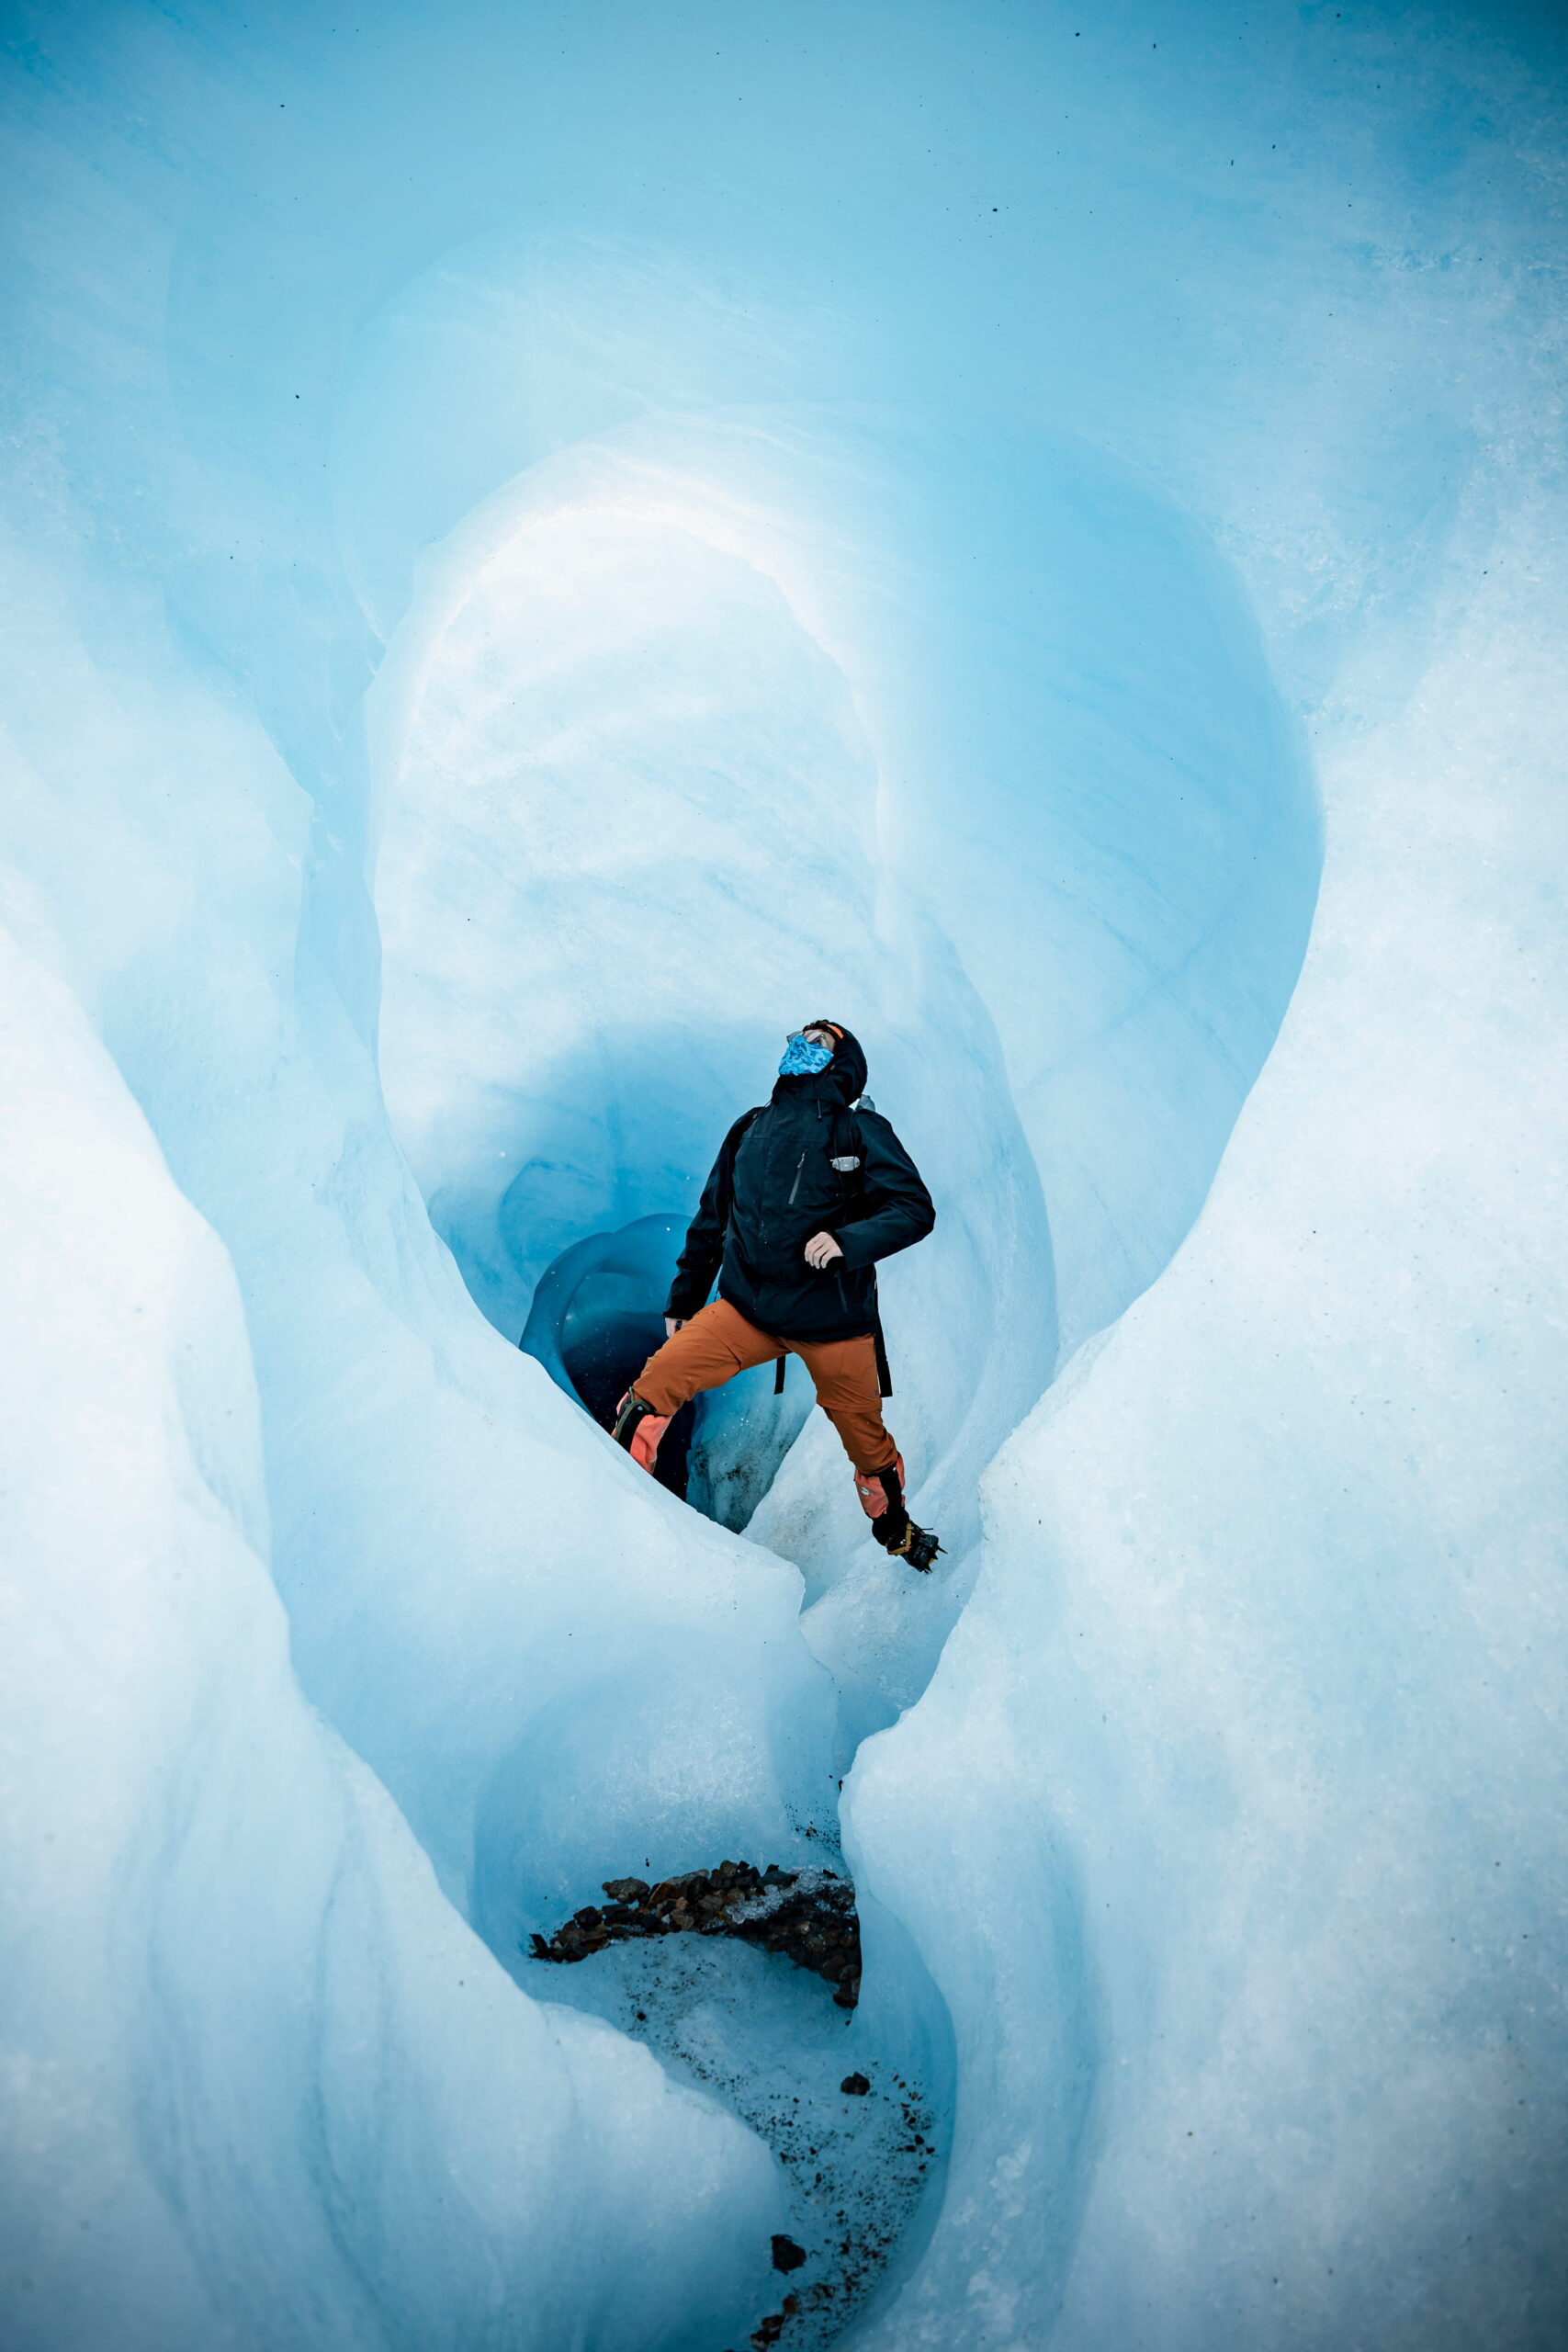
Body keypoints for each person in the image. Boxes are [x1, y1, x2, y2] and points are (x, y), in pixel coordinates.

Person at [613, 1021, 942, 1570]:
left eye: (821, 1042)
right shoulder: (750, 1128)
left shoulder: (860, 1131)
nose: (804, 1046)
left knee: (869, 1449)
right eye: (801, 1037)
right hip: (748, 1314)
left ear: (845, 1062)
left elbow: (914, 1210)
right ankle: (618, 1516)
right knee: (650, 1392)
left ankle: (897, 1531)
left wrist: (845, 1240)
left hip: (834, 1322)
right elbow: (713, 1219)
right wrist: (683, 1300)